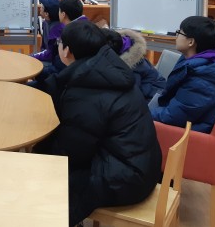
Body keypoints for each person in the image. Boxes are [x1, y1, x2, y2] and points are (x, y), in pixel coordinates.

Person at [34, 20, 161, 225]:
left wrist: (39, 153)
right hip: (142, 164)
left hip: (127, 178)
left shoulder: (86, 92)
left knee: (45, 182)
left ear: (67, 51)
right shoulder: (107, 68)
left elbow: (72, 151)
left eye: (59, 42)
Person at [151, 16, 215, 133]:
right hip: (187, 118)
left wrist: (142, 113)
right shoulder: (208, 60)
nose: (176, 36)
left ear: (191, 42)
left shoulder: (202, 80)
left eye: (179, 33)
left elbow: (173, 116)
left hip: (189, 134)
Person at [103, 28, 166, 102]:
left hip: (155, 98)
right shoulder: (124, 44)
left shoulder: (132, 68)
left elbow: (133, 96)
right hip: (149, 91)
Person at [31, 0, 63, 66]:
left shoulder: (57, 29)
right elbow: (44, 47)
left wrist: (33, 57)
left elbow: (50, 53)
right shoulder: (45, 23)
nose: (40, 8)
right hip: (46, 56)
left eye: (42, 7)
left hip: (54, 62)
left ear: (46, 14)